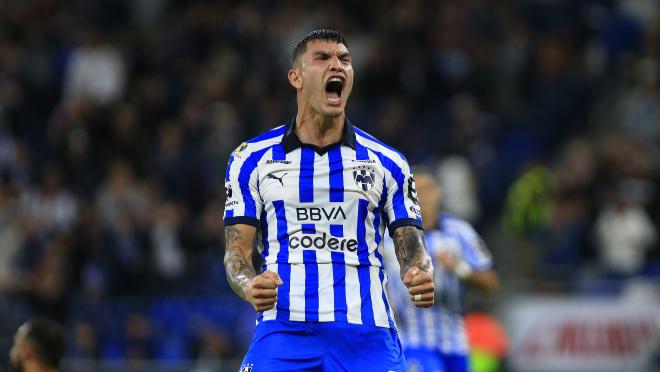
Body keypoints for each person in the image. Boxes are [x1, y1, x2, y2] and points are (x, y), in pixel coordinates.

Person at [223, 29, 435, 371]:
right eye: (322, 58)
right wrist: (250, 286)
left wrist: (420, 273)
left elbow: (413, 248)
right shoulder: (251, 159)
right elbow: (237, 252)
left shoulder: (388, 162)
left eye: (345, 60)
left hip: (368, 335)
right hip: (284, 329)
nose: (336, 65)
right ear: (296, 77)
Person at [384, 168, 499, 372]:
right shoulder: (389, 236)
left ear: (439, 193)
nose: (423, 196)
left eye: (428, 189)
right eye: (416, 190)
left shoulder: (459, 232)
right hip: (412, 341)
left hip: (455, 342)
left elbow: (491, 283)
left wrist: (459, 268)